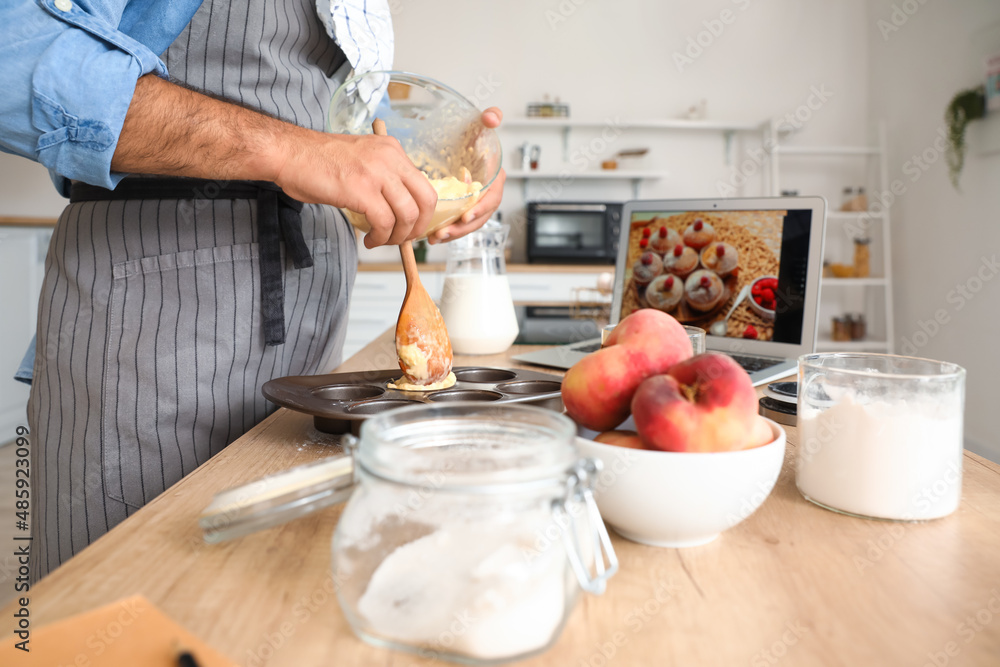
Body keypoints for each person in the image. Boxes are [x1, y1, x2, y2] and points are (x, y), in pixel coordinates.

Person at [0, 0, 505, 581]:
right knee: (120, 601)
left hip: (310, 315)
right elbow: (15, 53)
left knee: (264, 595)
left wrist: (420, 185)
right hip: (158, 314)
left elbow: (347, 120)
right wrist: (291, 152)